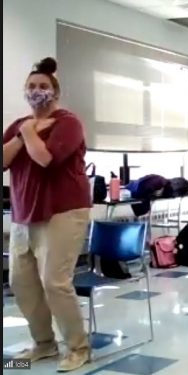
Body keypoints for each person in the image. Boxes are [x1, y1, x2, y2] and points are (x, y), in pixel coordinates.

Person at [2, 57, 92, 372]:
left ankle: (78, 348)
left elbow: (45, 160)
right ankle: (43, 344)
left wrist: (28, 133)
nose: (36, 91)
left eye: (43, 86)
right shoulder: (18, 125)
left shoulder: (68, 122)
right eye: (31, 86)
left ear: (55, 92)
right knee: (21, 281)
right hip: (24, 213)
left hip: (63, 210)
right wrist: (23, 131)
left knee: (55, 282)